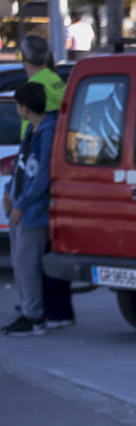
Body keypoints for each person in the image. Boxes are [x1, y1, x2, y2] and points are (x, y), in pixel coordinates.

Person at [3, 82, 62, 336]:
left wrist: (22, 205)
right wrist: (8, 191)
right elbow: (22, 165)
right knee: (19, 263)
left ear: (24, 108)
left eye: (18, 105)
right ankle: (27, 309)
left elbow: (41, 177)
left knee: (28, 265)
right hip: (20, 206)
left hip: (33, 212)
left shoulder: (46, 133)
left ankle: (34, 317)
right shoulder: (32, 131)